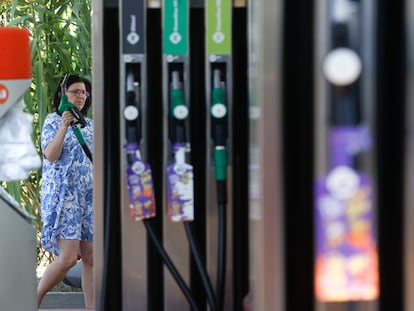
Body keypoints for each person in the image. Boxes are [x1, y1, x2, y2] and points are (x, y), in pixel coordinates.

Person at [37, 74, 94, 309]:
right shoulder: (52, 121)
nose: (80, 96)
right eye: (75, 92)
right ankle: (32, 299)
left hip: (90, 198)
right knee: (69, 258)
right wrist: (64, 125)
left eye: (84, 93)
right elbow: (51, 154)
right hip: (65, 197)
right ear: (63, 94)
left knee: (92, 259)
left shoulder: (89, 125)